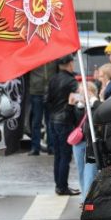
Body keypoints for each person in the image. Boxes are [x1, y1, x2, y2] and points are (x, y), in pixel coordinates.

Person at [46, 55, 80, 196]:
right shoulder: (71, 81)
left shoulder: (53, 79)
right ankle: (62, 187)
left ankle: (58, 185)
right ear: (69, 64)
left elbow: (46, 100)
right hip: (65, 121)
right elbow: (76, 100)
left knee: (58, 155)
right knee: (65, 156)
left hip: (53, 120)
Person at [69, 82, 99, 203]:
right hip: (78, 143)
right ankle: (85, 197)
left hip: (91, 143)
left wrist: (91, 101)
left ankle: (88, 199)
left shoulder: (95, 104)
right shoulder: (78, 107)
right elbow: (70, 121)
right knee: (81, 171)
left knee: (90, 172)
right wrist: (70, 106)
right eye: (79, 92)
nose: (80, 94)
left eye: (83, 91)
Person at [28, 61, 57, 155]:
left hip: (51, 91)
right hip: (36, 91)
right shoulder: (34, 56)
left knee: (50, 121)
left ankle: (51, 147)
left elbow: (57, 71)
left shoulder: (53, 55)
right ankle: (35, 147)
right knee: (36, 121)